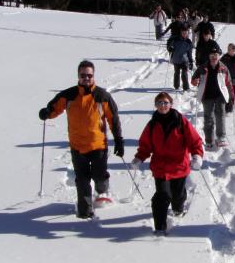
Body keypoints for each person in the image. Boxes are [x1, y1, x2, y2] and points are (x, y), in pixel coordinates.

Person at [38, 60, 123, 219]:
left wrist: (118, 139)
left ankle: (102, 190)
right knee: (82, 181)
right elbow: (55, 107)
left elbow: (114, 118)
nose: (86, 78)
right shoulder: (69, 95)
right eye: (83, 75)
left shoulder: (102, 96)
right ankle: (85, 211)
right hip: (78, 146)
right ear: (78, 76)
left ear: (93, 76)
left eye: (89, 75)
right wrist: (47, 113)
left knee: (99, 175)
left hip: (98, 145)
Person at [131, 92, 204, 235]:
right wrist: (139, 158)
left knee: (177, 194)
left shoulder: (180, 121)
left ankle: (178, 208)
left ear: (171, 104)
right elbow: (146, 145)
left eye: (165, 103)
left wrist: (197, 155)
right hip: (161, 167)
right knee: (161, 196)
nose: (163, 105)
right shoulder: (152, 124)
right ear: (156, 105)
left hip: (179, 166)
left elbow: (194, 140)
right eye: (159, 103)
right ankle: (160, 227)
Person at [191, 47, 234, 149]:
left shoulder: (224, 68)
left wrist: (232, 96)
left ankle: (221, 137)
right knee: (208, 118)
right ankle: (209, 140)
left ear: (219, 56)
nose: (214, 57)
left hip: (220, 95)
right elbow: (193, 79)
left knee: (220, 115)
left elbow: (228, 83)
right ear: (209, 56)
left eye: (216, 55)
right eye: (212, 55)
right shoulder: (202, 67)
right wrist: (195, 81)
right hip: (207, 96)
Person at [167, 23, 194, 91]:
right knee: (177, 73)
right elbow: (169, 44)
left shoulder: (188, 42)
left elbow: (189, 53)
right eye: (183, 32)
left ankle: (186, 87)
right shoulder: (175, 39)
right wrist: (170, 48)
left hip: (184, 60)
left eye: (186, 33)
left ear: (188, 33)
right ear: (181, 32)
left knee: (184, 74)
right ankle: (176, 86)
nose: (184, 34)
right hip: (176, 59)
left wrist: (191, 61)